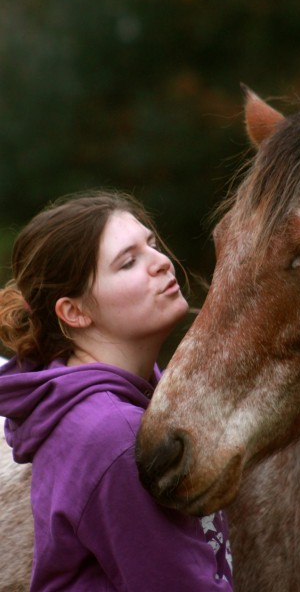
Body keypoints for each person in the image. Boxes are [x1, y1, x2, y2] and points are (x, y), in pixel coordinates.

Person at [0, 190, 233, 592]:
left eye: (152, 245)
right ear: (74, 312)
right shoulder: (114, 434)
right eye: (128, 262)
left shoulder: (103, 400)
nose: (160, 263)